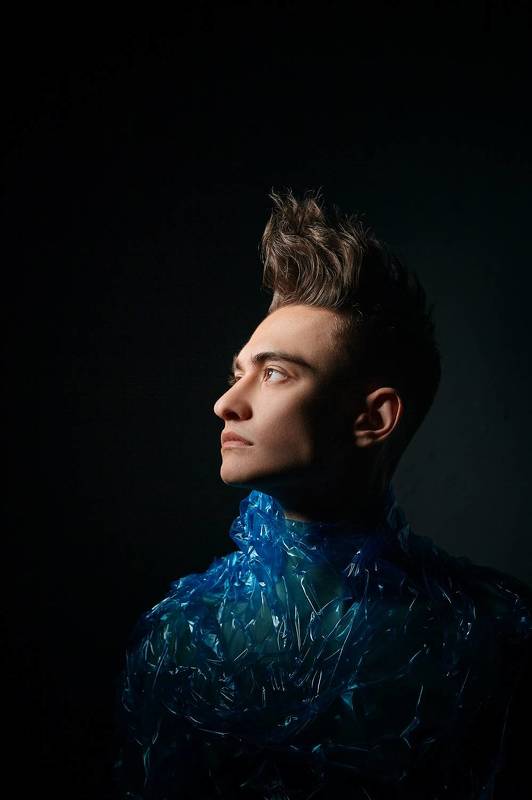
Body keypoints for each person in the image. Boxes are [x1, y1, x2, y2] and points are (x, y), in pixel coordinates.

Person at [114, 190, 532, 799]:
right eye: (238, 373)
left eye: (275, 373)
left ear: (373, 418)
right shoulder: (182, 638)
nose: (226, 403)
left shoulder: (493, 636)